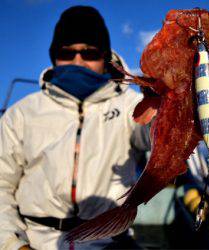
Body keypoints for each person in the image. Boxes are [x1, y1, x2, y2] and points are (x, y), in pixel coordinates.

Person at [0, 6, 150, 250]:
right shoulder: (22, 113)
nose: (78, 61)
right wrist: (11, 243)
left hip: (111, 240)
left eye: (90, 53)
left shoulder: (131, 104)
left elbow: (158, 133)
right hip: (35, 241)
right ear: (54, 56)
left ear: (105, 57)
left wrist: (171, 100)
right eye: (66, 53)